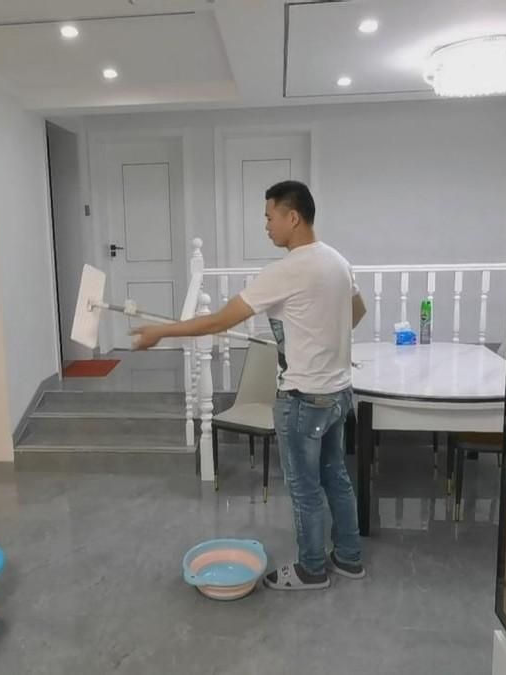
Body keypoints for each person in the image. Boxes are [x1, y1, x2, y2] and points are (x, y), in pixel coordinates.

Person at [131, 180, 367, 591]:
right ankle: (349, 558)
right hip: (337, 394)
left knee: (305, 489)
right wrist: (317, 334)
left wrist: (162, 332)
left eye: (269, 217)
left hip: (303, 399)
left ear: (293, 217)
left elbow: (219, 320)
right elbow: (357, 312)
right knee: (337, 478)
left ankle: (312, 569)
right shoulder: (337, 262)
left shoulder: (285, 271)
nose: (266, 225)